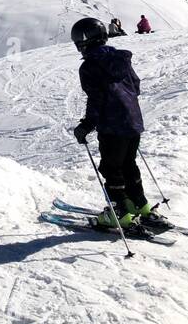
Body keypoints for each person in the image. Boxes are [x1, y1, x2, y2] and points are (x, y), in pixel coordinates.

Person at [70, 17, 164, 229]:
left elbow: (97, 98)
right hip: (133, 121)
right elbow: (136, 86)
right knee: (128, 164)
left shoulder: (89, 66)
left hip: (112, 127)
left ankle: (119, 213)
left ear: (83, 42)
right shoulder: (120, 59)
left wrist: (87, 125)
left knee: (111, 168)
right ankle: (140, 206)